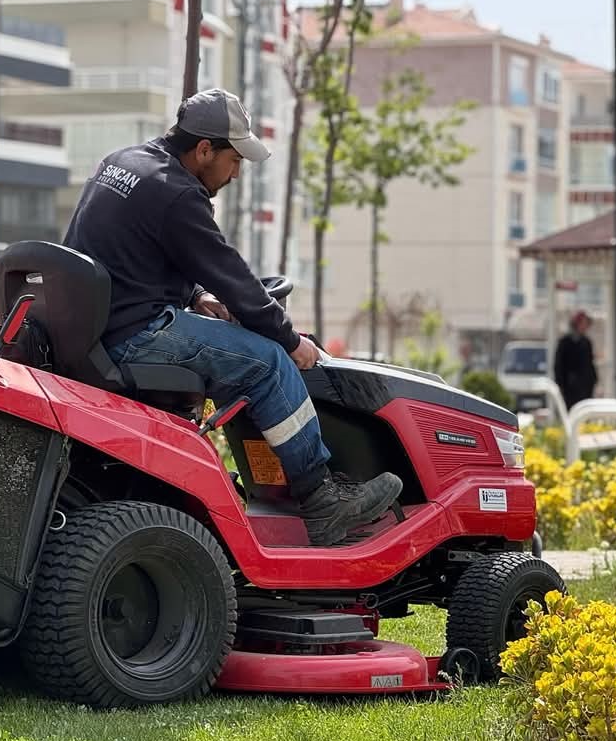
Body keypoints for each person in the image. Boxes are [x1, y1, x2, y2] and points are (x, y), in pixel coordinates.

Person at [63, 88, 402, 546]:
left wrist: (197, 295)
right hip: (135, 335)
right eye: (234, 159)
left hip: (98, 328)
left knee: (252, 353)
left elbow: (132, 254)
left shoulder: (123, 162)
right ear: (204, 150)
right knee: (268, 363)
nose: (237, 172)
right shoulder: (178, 193)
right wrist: (290, 341)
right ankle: (321, 501)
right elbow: (233, 277)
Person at [553, 310, 598, 410]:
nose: (585, 326)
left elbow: (590, 364)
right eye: (583, 323)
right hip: (569, 388)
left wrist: (593, 380)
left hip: (586, 387)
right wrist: (562, 384)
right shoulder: (565, 342)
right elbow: (559, 365)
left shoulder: (586, 342)